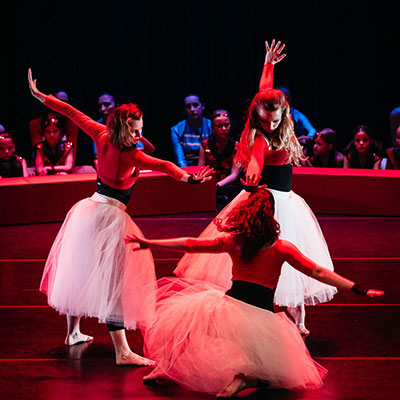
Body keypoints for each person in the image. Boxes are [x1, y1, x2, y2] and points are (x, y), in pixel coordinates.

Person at [28, 69, 213, 366]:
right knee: (116, 282)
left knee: (81, 271)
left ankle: (73, 333)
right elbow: (164, 165)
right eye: (136, 131)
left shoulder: (100, 133)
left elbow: (71, 112)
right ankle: (122, 351)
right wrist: (189, 179)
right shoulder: (130, 154)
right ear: (124, 129)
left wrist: (41, 97)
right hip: (110, 217)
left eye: (141, 130)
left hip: (90, 209)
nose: (139, 136)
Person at [125, 188, 383, 397]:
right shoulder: (281, 248)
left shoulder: (234, 241)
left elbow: (191, 243)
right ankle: (245, 378)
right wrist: (357, 288)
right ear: (272, 217)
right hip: (259, 318)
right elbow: (318, 272)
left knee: (188, 326)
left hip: (228, 310)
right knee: (285, 376)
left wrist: (150, 242)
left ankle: (167, 367)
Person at [174, 40, 337, 335]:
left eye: (274, 121)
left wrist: (268, 64)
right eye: (264, 120)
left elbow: (265, 89)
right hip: (263, 202)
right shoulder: (259, 137)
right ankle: (253, 307)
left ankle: (298, 315)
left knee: (294, 256)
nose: (270, 125)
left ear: (283, 115)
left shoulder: (278, 118)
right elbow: (256, 160)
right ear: (256, 116)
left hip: (286, 201)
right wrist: (252, 173)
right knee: (261, 256)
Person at [198, 109, 242, 206]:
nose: (223, 128)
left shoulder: (237, 146)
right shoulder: (205, 144)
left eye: (226, 125)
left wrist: (217, 185)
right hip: (209, 182)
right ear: (212, 128)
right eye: (219, 126)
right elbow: (200, 168)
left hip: (228, 184)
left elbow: (234, 174)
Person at [29, 90, 79, 166]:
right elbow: (38, 155)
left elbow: (72, 159)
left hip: (64, 169)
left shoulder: (72, 125)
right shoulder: (35, 124)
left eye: (66, 103)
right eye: (60, 102)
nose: (63, 106)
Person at [171, 94, 212, 167]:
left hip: (208, 168)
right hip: (187, 169)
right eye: (188, 106)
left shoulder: (212, 126)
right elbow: (180, 160)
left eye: (195, 105)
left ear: (203, 106)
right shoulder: (176, 130)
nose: (192, 109)